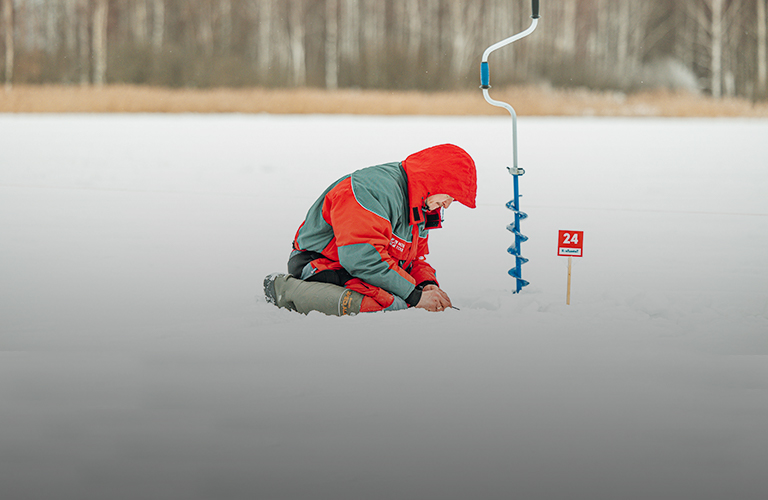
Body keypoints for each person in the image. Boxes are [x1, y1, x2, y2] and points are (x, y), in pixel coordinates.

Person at [263, 143, 477, 316]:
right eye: (449, 196)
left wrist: (426, 284)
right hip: (323, 264)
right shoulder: (371, 190)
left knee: (404, 303)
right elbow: (361, 258)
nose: (447, 204)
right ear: (434, 181)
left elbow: (414, 260)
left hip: (362, 269)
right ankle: (285, 290)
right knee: (383, 308)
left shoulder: (421, 204)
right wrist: (415, 296)